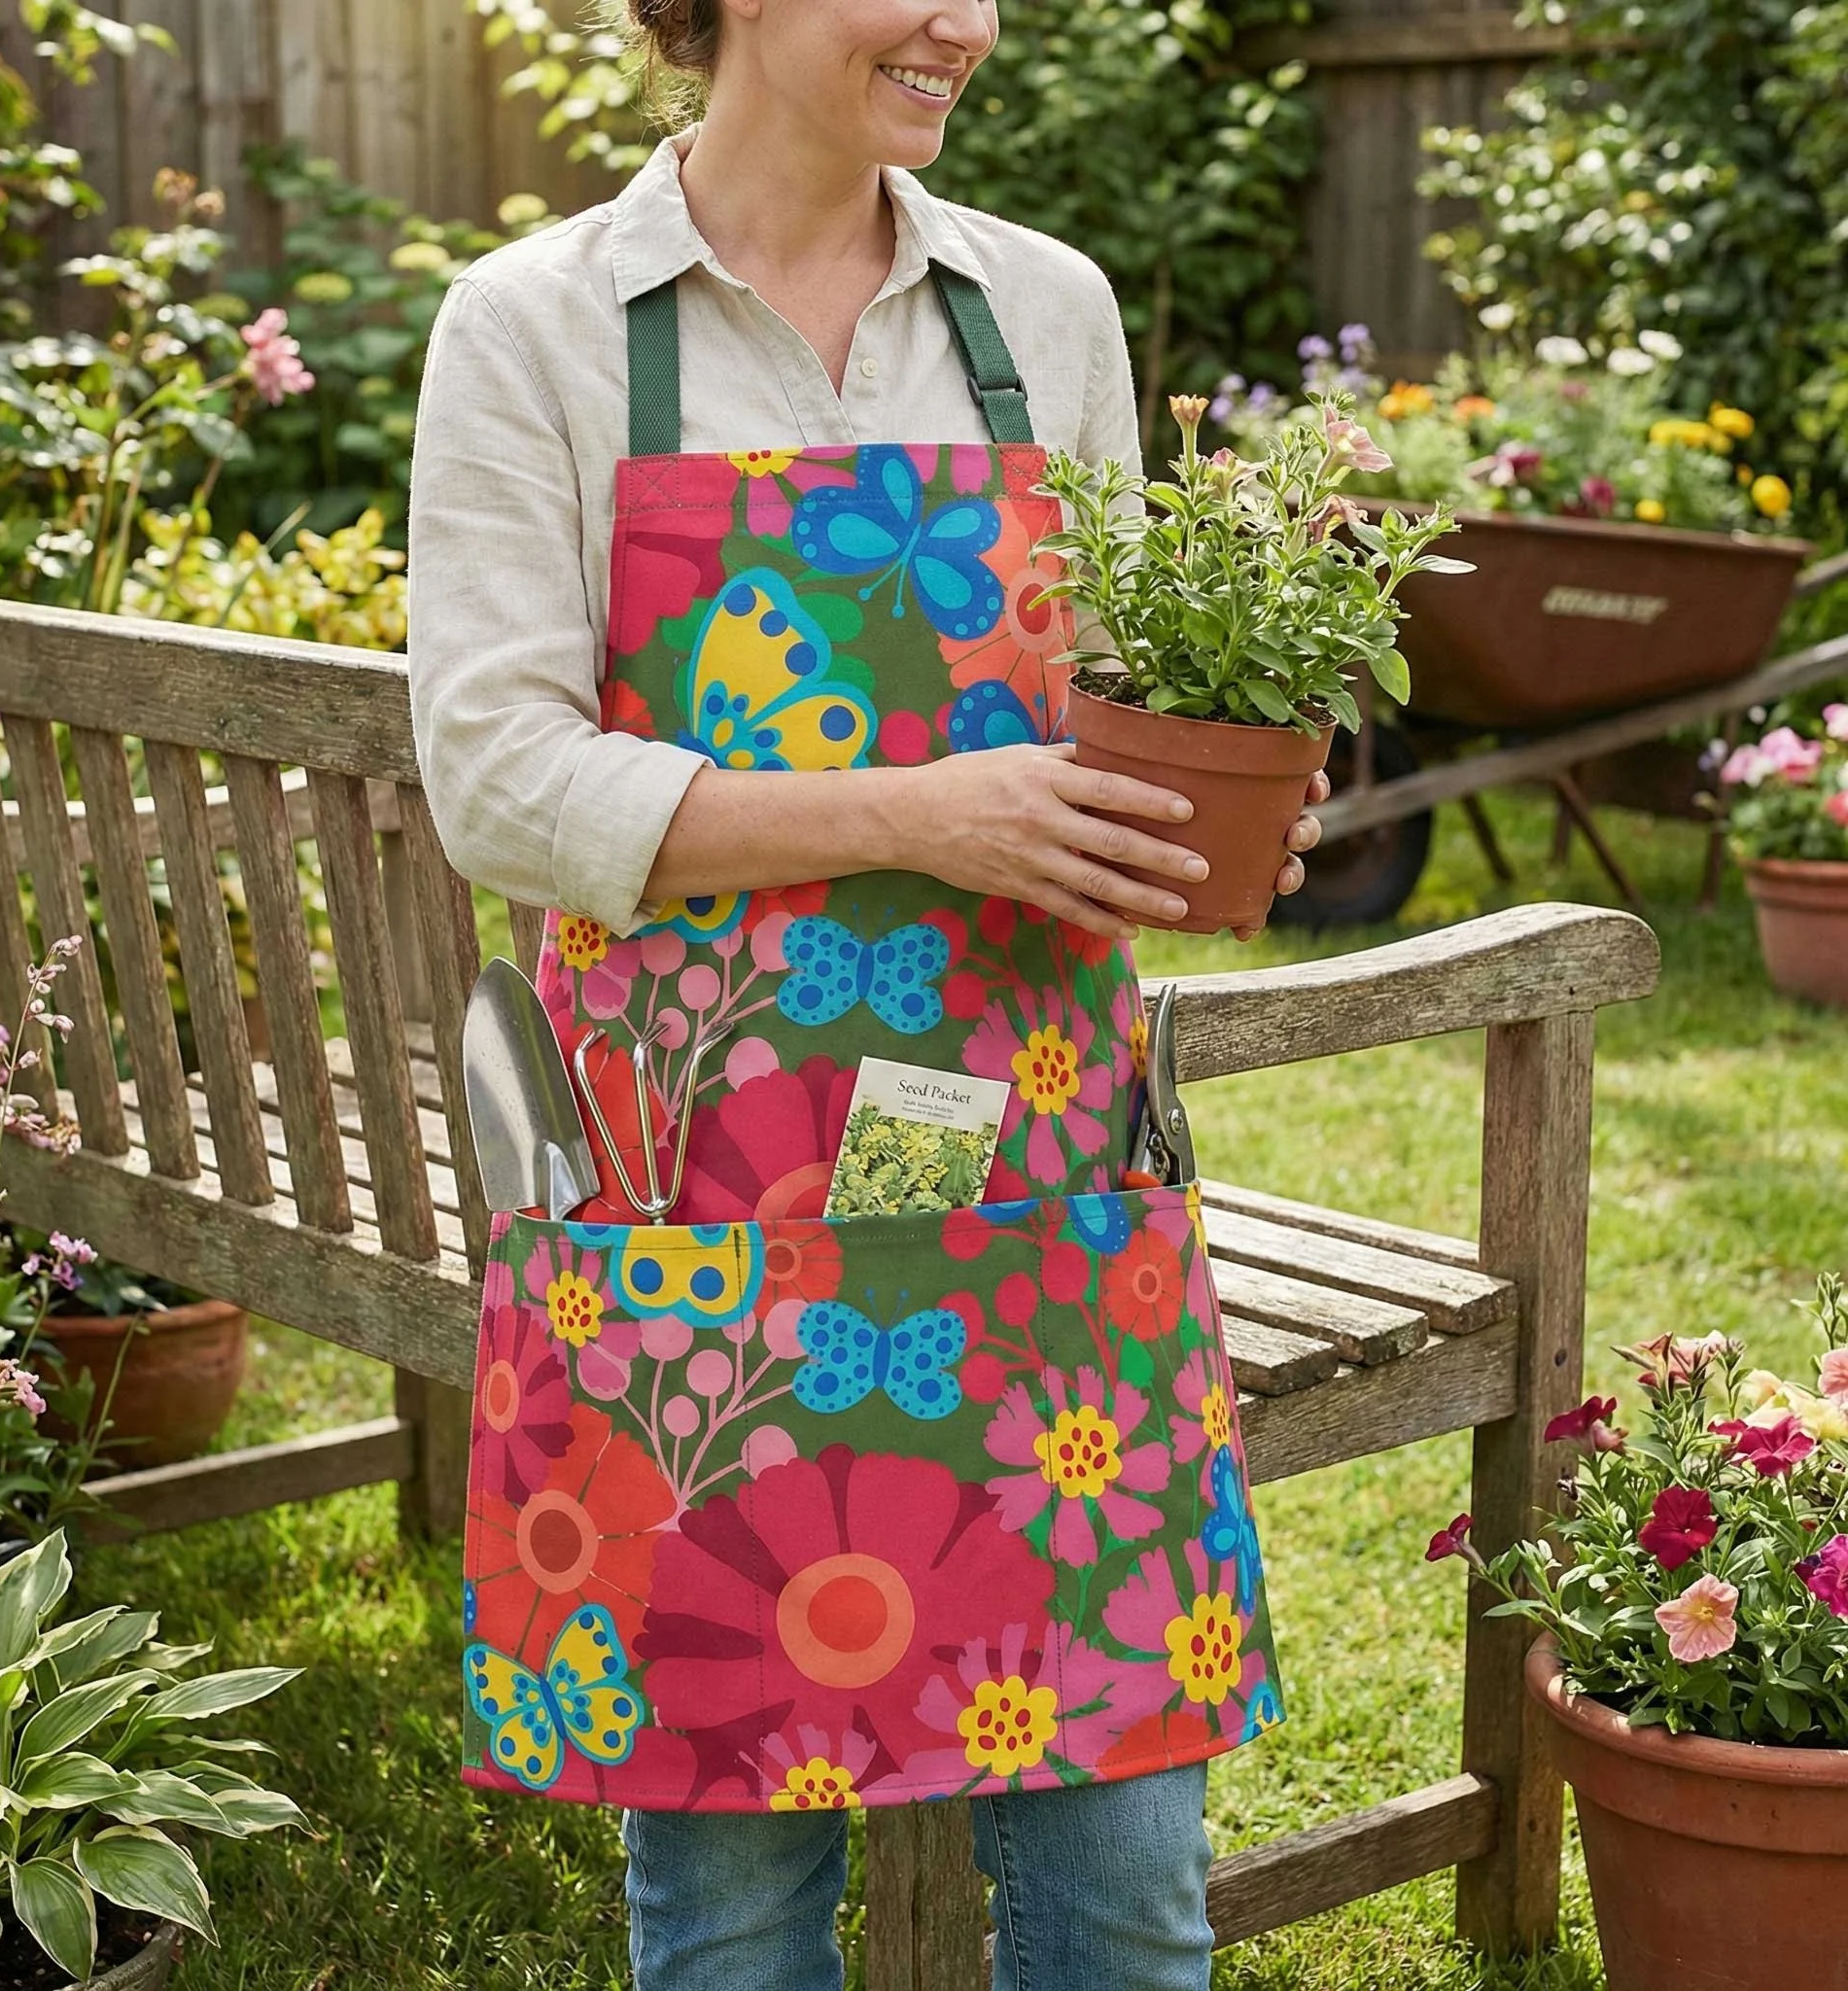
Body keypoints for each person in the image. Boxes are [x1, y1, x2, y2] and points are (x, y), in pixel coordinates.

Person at [408, 1, 1322, 1985]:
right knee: (728, 1896)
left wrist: (1215, 786)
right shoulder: (540, 326)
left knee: (1123, 1869)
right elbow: (496, 780)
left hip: (1040, 1199)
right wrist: (922, 813)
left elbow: (1117, 701)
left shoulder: (1044, 312)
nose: (969, 22)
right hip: (703, 1218)